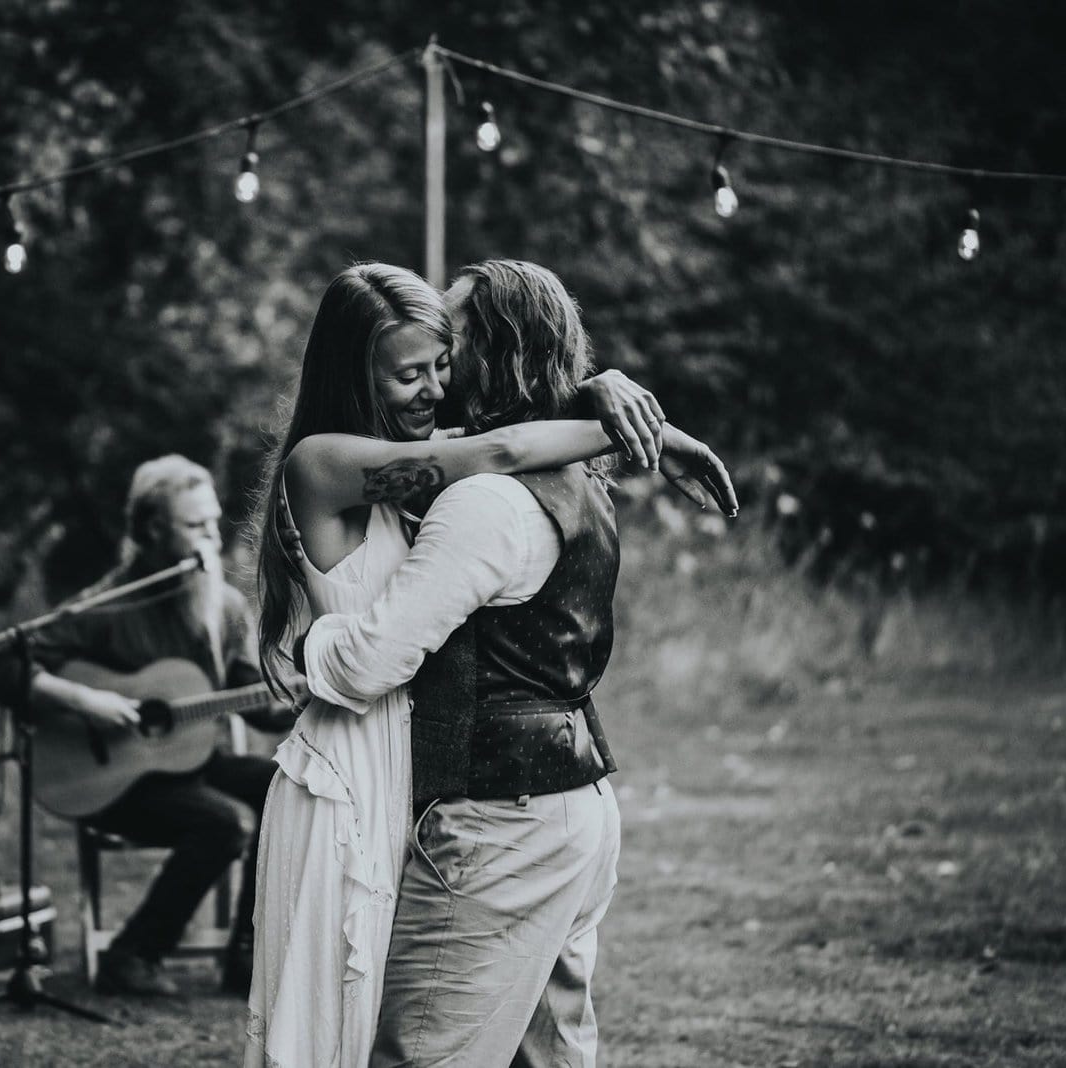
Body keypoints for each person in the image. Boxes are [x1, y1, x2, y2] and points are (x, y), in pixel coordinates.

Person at [243, 262, 719, 1066]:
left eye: (445, 358)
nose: (435, 384)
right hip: (357, 773)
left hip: (435, 779)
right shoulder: (327, 461)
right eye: (412, 370)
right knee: (335, 1023)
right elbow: (502, 443)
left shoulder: (439, 466)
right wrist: (627, 418)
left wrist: (622, 406)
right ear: (356, 372)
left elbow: (507, 438)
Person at [0, 454, 293, 997]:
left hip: (190, 762)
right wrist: (82, 698)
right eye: (194, 525)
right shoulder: (107, 606)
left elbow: (258, 706)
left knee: (281, 790)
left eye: (212, 521)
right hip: (113, 778)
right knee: (223, 823)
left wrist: (307, 693)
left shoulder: (221, 608)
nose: (210, 537)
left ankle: (246, 957)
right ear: (151, 529)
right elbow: (1, 668)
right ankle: (132, 956)